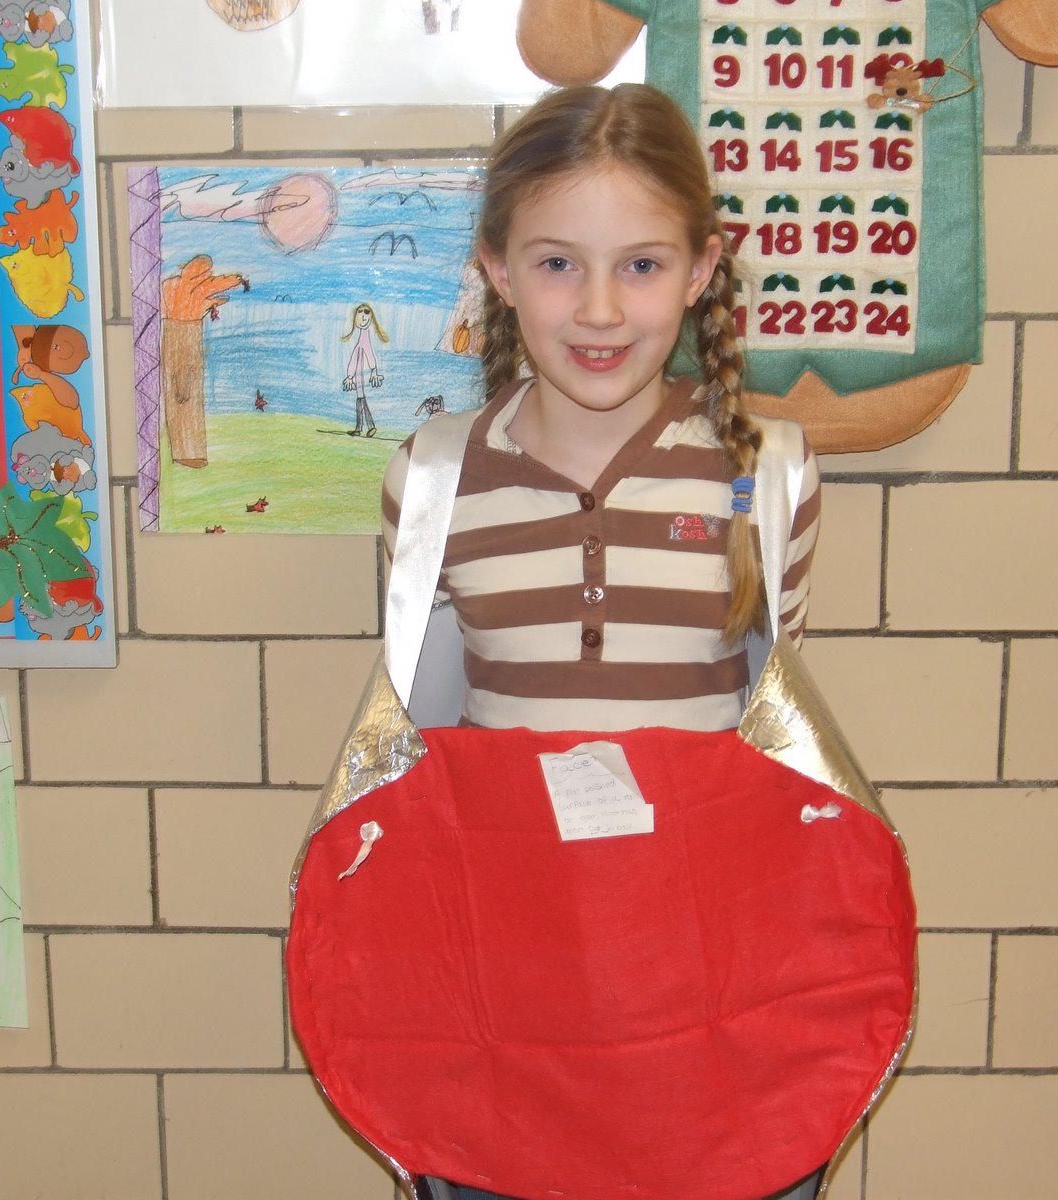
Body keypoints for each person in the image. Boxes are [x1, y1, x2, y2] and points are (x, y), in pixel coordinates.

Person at [380, 83, 823, 1200]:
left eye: (640, 264)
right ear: (495, 268)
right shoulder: (433, 476)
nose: (599, 311)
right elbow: (418, 744)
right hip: (506, 985)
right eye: (556, 262)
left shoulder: (767, 471)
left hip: (704, 987)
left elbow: (773, 747)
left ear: (702, 270)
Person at [342, 300, 388, 436]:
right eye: (360, 313)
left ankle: (363, 427)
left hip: (361, 375)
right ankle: (364, 427)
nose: (363, 316)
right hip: (358, 375)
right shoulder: (362, 336)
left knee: (360, 400)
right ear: (355, 318)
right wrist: (350, 376)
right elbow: (355, 358)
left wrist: (374, 370)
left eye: (366, 314)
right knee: (361, 400)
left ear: (371, 318)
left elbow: (368, 353)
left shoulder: (364, 337)